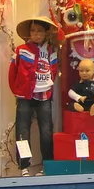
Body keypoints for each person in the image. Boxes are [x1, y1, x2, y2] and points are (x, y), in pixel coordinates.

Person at [9, 16, 59, 177]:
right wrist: (18, 90)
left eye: (39, 31)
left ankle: (47, 164)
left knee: (46, 130)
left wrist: (48, 87)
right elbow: (12, 72)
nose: (36, 34)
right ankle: (24, 165)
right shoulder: (21, 50)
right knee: (23, 130)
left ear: (45, 33)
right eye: (33, 30)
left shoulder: (51, 52)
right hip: (25, 96)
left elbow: (53, 72)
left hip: (44, 95)